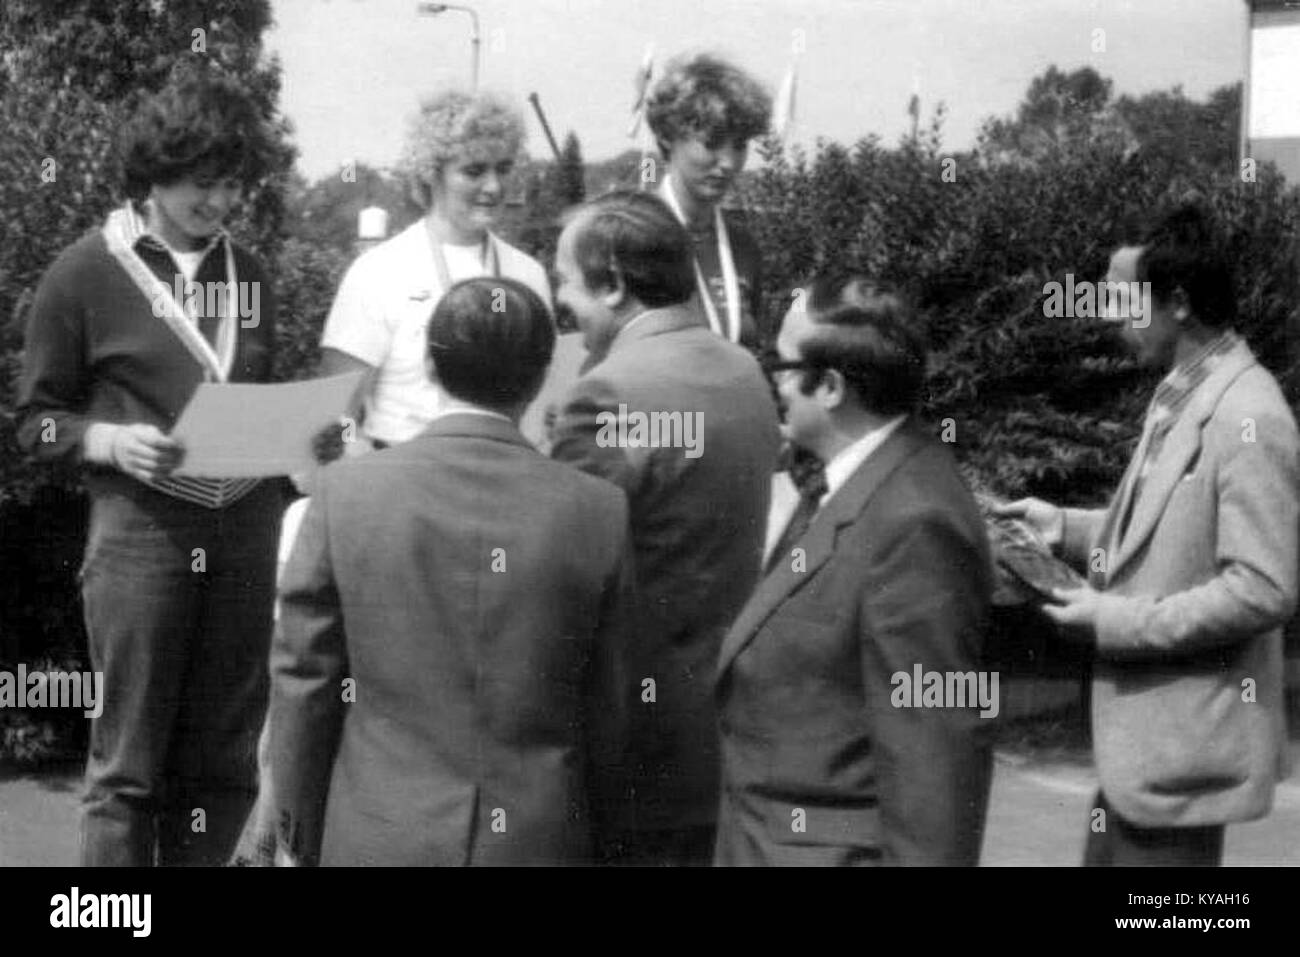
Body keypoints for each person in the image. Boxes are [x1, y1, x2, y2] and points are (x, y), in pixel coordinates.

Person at [268, 277, 633, 866]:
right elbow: (610, 711)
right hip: (536, 840)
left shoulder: (346, 493)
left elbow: (305, 687)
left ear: (430, 365)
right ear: (543, 376)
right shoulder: (598, 510)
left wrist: (294, 836)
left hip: (377, 835)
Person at [15, 69, 282, 866]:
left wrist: (304, 441)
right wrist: (106, 441)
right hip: (141, 532)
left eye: (231, 184)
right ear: (154, 174)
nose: (217, 202)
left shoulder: (252, 275)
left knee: (224, 761)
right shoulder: (84, 272)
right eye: (200, 183)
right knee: (128, 764)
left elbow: (253, 391)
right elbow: (33, 425)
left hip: (244, 527)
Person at [999, 203, 1299, 866]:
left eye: (1123, 297)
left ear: (1181, 302)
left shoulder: (1249, 416)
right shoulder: (1182, 392)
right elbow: (1161, 530)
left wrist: (1116, 620)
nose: (1109, 313)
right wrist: (1066, 527)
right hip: (1142, 759)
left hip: (1181, 759)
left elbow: (1264, 586)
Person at [714, 277, 994, 866]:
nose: (774, 380)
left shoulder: (916, 523)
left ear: (833, 387)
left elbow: (934, 761)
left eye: (783, 364)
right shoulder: (853, 483)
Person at [550, 190, 781, 865]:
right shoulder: (744, 371)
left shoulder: (603, 394)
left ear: (615, 284)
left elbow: (562, 573)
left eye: (566, 281)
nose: (562, 302)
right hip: (716, 724)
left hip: (624, 732)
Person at [317, 89, 552, 452]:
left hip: (501, 473)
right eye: (473, 171)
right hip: (403, 471)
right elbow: (337, 413)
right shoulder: (377, 272)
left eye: (503, 168)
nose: (493, 186)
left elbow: (539, 399)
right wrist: (357, 464)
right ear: (431, 174)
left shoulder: (528, 275)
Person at [645, 52, 771, 352]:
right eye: (712, 143)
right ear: (667, 137)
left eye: (739, 145)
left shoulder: (743, 246)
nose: (728, 163)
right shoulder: (631, 237)